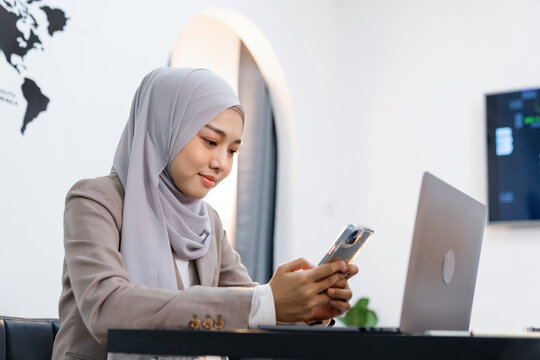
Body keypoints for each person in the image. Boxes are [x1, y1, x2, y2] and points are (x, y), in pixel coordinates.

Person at [51, 67, 358, 360]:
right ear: (164, 127)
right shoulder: (94, 200)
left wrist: (309, 307)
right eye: (211, 142)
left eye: (232, 150)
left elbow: (246, 303)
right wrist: (265, 301)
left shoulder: (206, 220)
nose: (221, 163)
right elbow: (106, 308)